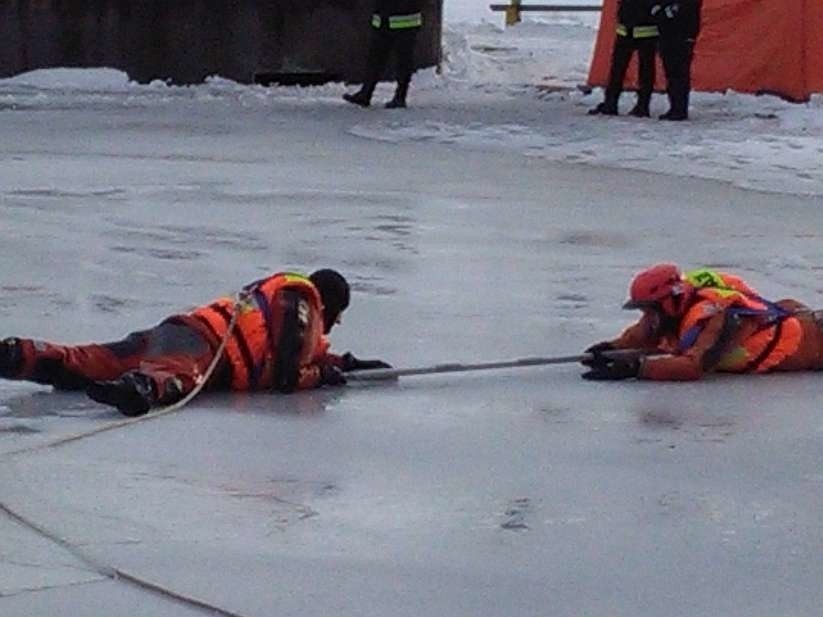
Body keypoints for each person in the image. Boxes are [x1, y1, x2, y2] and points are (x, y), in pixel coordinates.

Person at [0, 269, 390, 416]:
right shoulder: (300, 300)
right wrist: (319, 377)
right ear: (327, 302)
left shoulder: (287, 307)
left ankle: (20, 355)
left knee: (92, 361)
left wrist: (346, 364)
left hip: (181, 332)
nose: (334, 324)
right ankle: (139, 388)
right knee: (173, 375)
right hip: (200, 347)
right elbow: (288, 374)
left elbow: (306, 352)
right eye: (337, 314)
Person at [581, 263, 823, 381]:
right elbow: (645, 332)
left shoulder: (715, 316)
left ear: (670, 301)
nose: (648, 317)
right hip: (795, 319)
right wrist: (612, 348)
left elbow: (693, 366)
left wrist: (635, 369)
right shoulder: (673, 308)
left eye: (651, 309)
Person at [342, 0, 423, 109]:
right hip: (384, 19)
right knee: (375, 58)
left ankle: (400, 96)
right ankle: (366, 93)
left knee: (403, 60)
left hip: (404, 19)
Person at [589, 0, 659, 118]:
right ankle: (642, 105)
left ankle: (612, 103)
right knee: (645, 69)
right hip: (641, 27)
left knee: (620, 68)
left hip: (633, 26)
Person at [651, 0, 702, 120]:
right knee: (672, 73)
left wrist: (661, 12)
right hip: (671, 35)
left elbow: (681, 11)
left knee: (678, 73)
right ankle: (676, 107)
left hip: (680, 36)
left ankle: (679, 109)